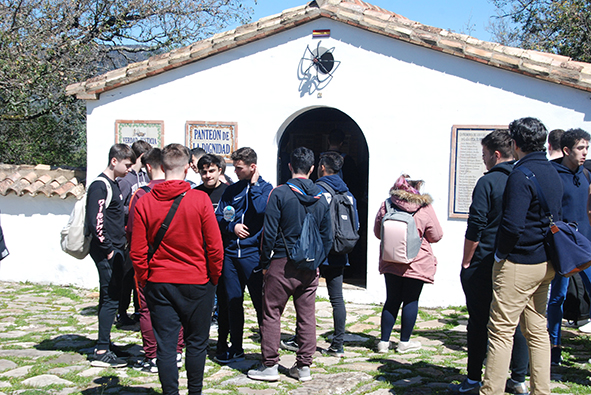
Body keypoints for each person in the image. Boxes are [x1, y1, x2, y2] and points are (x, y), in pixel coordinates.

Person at [130, 144, 223, 395]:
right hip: (197, 281)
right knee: (196, 343)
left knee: (166, 346)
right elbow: (215, 246)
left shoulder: (144, 201)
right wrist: (213, 277)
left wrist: (144, 281)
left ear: (161, 167)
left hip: (159, 281)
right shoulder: (200, 199)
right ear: (186, 168)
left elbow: (137, 251)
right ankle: (195, 392)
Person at [480, 117, 563, 395]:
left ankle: (491, 390)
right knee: (537, 329)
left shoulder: (520, 174)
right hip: (546, 261)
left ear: (515, 144)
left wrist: (500, 255)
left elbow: (512, 225)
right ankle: (542, 390)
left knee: (501, 331)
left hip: (519, 262)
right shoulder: (552, 171)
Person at [449, 130, 529, 394]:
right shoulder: (524, 178)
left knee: (479, 320)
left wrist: (465, 261)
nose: (483, 160)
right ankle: (518, 378)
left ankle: (473, 377)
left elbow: (476, 225)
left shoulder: (488, 182)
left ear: (495, 155)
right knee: (513, 321)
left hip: (484, 260)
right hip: (515, 260)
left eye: (484, 155)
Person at [247, 146, 332, 382]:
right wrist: (318, 260)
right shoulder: (322, 197)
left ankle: (270, 365)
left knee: (272, 313)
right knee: (307, 315)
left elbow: (269, 233)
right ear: (313, 169)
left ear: (289, 166)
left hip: (281, 263)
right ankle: (304, 366)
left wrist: (265, 263)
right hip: (309, 267)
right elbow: (328, 236)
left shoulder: (280, 193)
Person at [280, 151, 359, 357]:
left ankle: (301, 339)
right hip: (340, 250)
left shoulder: (318, 189)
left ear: (322, 168)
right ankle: (338, 345)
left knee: (304, 296)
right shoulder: (348, 193)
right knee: (337, 297)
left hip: (316, 249)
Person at [126, 148, 185, 373]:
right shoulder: (185, 193)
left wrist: (139, 270)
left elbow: (132, 233)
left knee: (148, 310)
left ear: (149, 167)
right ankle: (177, 352)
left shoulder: (141, 195)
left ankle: (152, 355)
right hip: (180, 263)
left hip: (150, 263)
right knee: (177, 309)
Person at [214, 147, 273, 364]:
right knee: (232, 302)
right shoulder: (232, 190)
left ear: (252, 167)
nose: (235, 172)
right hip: (231, 255)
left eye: (239, 168)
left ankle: (267, 351)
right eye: (235, 167)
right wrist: (232, 227)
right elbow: (220, 216)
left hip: (253, 256)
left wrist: (255, 186)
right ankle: (236, 347)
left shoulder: (267, 189)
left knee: (261, 304)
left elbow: (260, 210)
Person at [374, 175, 443, 354]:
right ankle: (404, 342)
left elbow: (377, 232)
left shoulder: (387, 204)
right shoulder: (424, 207)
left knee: (392, 299)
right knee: (411, 300)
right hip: (416, 262)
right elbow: (436, 235)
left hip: (391, 259)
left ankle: (383, 342)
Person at [86, 144, 135, 367]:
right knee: (110, 298)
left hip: (116, 249)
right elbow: (96, 220)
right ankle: (101, 350)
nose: (129, 169)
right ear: (114, 161)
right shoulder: (100, 185)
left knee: (111, 297)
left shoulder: (113, 184)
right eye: (126, 164)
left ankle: (104, 342)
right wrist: (107, 250)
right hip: (107, 251)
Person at [547, 128, 591, 364]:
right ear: (566, 150)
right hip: (563, 247)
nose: (584, 152)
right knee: (558, 297)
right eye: (580, 148)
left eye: (586, 148)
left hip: (586, 245)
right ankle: (554, 347)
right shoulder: (553, 173)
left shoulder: (585, 174)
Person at [195, 154, 230, 357]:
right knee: (200, 303)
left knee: (224, 301)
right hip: (199, 255)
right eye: (204, 172)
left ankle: (223, 344)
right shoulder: (194, 194)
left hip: (223, 254)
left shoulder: (228, 193)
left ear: (220, 171)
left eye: (211, 171)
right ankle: (198, 342)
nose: (207, 175)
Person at [118, 140, 152, 327]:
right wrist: (135, 211)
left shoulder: (146, 179)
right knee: (126, 277)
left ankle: (140, 310)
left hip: (144, 234)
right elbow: (118, 207)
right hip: (126, 233)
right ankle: (122, 311)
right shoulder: (126, 180)